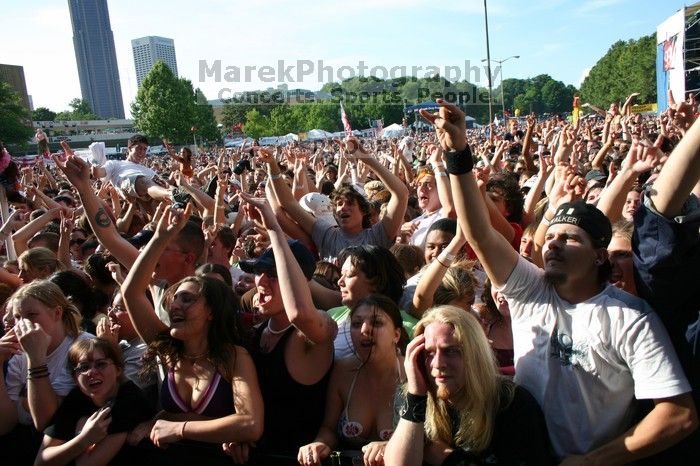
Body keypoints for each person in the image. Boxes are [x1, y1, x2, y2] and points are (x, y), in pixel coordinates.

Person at [427, 99, 697, 462]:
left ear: (599, 255)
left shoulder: (631, 317)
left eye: (569, 238)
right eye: (550, 236)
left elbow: (678, 414)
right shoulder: (529, 290)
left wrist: (592, 462)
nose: (552, 242)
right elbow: (479, 232)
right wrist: (458, 153)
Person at [120, 203, 263, 464]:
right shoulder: (166, 348)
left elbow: (250, 423)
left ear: (211, 311)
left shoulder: (233, 357)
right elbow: (131, 293)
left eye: (187, 300)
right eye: (175, 300)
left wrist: (177, 426)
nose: (175, 305)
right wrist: (160, 238)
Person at [237, 192, 337, 465]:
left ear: (301, 281)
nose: (261, 281)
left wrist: (274, 230)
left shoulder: (319, 329)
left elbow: (300, 314)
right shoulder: (255, 333)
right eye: (259, 272)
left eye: (273, 275)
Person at [384, 306, 552, 465]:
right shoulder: (413, 396)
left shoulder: (511, 403)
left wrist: (448, 459)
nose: (438, 364)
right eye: (429, 353)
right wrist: (415, 397)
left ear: (475, 354)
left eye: (451, 351)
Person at [298, 294, 406, 466]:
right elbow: (329, 428)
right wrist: (319, 444)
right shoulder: (342, 370)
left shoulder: (413, 374)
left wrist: (393, 447)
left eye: (376, 323)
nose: (364, 330)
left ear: (396, 335)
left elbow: (430, 439)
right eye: (356, 324)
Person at [0, 280, 92, 463]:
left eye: (32, 315)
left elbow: (44, 420)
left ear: (57, 313)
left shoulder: (83, 347)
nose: (22, 324)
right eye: (17, 317)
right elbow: (5, 424)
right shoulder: (19, 353)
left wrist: (36, 358)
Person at [34, 338, 153, 466]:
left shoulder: (129, 400)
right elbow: (41, 461)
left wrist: (82, 438)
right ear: (75, 378)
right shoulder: (76, 398)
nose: (92, 372)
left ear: (118, 370)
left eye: (101, 364)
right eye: (84, 367)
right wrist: (84, 439)